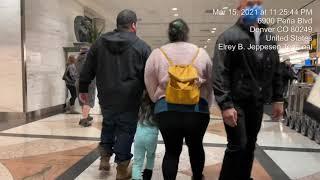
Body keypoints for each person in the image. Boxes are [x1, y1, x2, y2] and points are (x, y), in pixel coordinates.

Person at [212, 0, 284, 179]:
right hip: (236, 102)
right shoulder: (228, 37)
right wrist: (225, 105)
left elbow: (276, 69)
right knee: (238, 144)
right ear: (240, 9)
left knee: (251, 144)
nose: (253, 8)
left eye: (257, 4)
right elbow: (220, 72)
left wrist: (278, 98)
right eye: (249, 4)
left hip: (257, 102)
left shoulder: (268, 37)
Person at [79, 9, 151, 180]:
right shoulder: (142, 46)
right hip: (130, 98)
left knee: (109, 123)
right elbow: (150, 74)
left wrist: (83, 89)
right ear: (133, 25)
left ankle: (104, 158)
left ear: (118, 24)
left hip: (107, 95)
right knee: (126, 130)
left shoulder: (99, 42)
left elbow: (87, 67)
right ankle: (122, 167)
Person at [145, 19, 213, 180]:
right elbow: (211, 82)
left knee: (171, 151)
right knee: (196, 147)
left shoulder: (157, 53)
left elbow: (149, 81)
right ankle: (197, 177)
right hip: (197, 110)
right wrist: (207, 103)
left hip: (166, 110)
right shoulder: (201, 53)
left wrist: (156, 99)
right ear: (187, 33)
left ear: (169, 34)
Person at [132, 92, 158, 180]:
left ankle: (136, 177)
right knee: (151, 156)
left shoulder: (140, 105)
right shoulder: (156, 106)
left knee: (137, 162)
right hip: (152, 135)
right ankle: (147, 175)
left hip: (139, 135)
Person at [75, 47, 96, 127]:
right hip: (88, 82)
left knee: (83, 100)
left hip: (79, 81)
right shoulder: (89, 58)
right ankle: (84, 119)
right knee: (88, 100)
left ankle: (86, 115)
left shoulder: (78, 58)